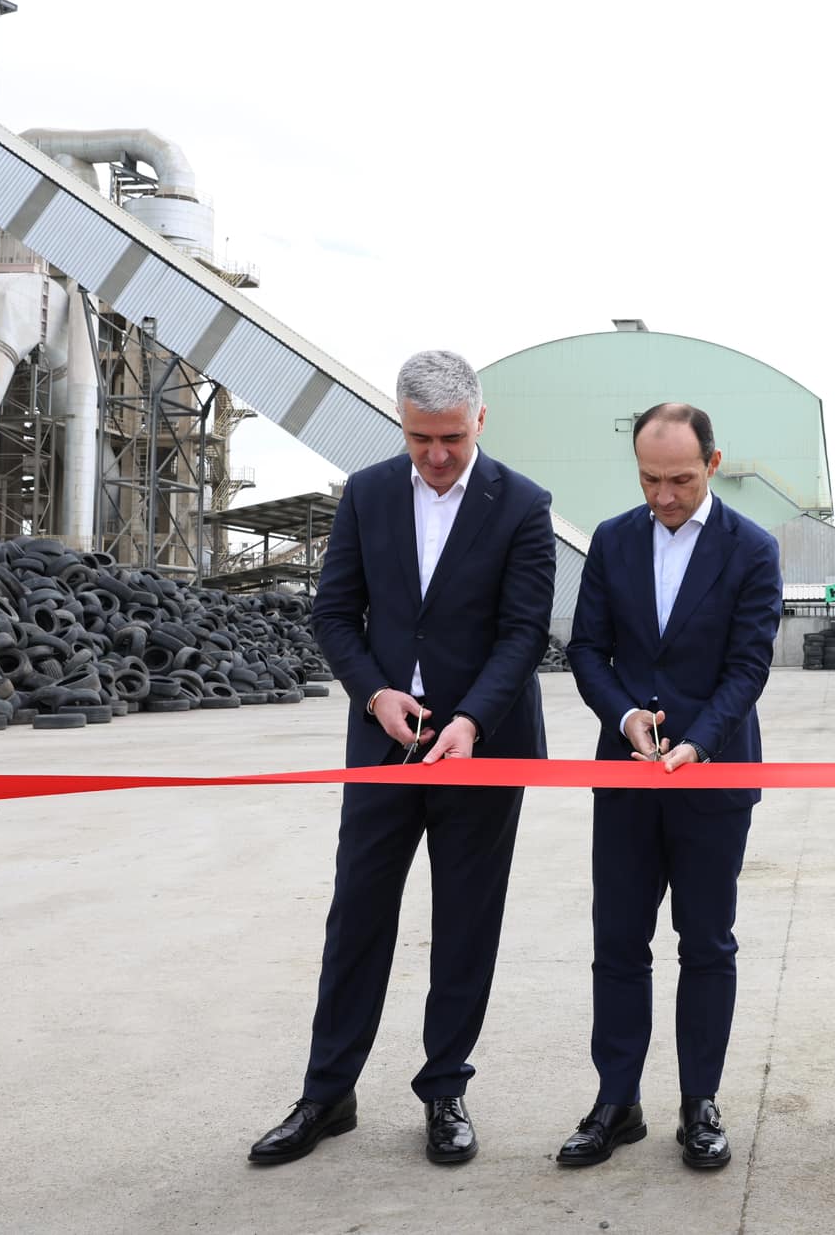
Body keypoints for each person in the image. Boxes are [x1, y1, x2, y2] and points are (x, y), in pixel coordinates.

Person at [249, 349, 556, 1167]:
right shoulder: (369, 494)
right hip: (384, 743)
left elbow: (524, 632)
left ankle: (445, 1089)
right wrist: (375, 694)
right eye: (421, 438)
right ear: (401, 423)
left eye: (452, 437)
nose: (437, 455)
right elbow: (334, 614)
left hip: (481, 750)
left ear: (480, 420)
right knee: (357, 915)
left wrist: (473, 722)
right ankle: (327, 1094)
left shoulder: (523, 504)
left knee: (465, 921)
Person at [557, 403, 782, 1171]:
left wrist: (698, 741)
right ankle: (616, 1102)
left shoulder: (752, 549)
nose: (664, 496)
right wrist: (625, 718)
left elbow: (748, 664)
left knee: (707, 944)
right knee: (618, 943)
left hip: (713, 779)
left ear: (713, 464)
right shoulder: (613, 540)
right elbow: (587, 649)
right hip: (625, 776)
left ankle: (700, 1103)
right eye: (650, 479)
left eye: (681, 479)